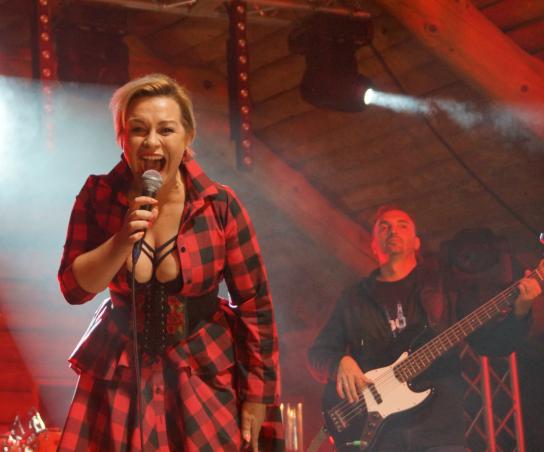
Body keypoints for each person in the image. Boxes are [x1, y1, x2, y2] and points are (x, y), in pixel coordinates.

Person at [57, 73, 282, 451]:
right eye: (138, 129)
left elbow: (255, 304)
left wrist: (259, 395)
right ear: (122, 138)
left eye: (166, 129)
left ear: (187, 136)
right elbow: (73, 289)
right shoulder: (98, 196)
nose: (151, 141)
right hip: (122, 372)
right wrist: (122, 238)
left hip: (202, 370)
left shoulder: (219, 205)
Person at [307, 206, 542, 451]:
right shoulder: (354, 298)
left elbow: (489, 344)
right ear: (373, 243)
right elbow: (317, 355)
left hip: (438, 432)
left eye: (402, 225)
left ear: (416, 242)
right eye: (384, 227)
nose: (393, 231)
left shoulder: (443, 286)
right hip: (378, 438)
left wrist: (520, 310)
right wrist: (340, 363)